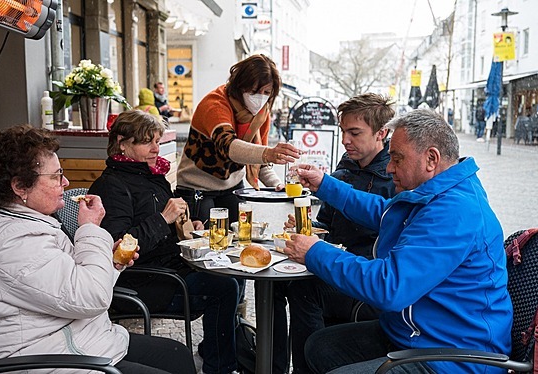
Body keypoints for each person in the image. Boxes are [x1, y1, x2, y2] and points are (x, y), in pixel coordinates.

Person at [284, 109, 512, 374]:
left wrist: (315, 251)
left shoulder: (455, 211)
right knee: (319, 347)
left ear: (431, 159)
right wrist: (324, 183)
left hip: (453, 357)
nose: (390, 167)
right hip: (414, 335)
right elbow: (383, 211)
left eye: (397, 158)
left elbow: (389, 287)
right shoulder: (437, 191)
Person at [0, 125, 195, 374]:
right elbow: (92, 297)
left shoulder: (28, 223)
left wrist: (112, 261)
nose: (66, 182)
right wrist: (90, 229)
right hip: (46, 358)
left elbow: (74, 280)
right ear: (20, 187)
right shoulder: (8, 243)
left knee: (176, 355)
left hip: (81, 339)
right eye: (56, 176)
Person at [88, 110, 240, 374]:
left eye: (157, 141)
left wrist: (187, 228)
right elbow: (117, 250)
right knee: (224, 287)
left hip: (168, 270)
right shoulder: (111, 186)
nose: (156, 148)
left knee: (232, 274)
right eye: (148, 142)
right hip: (143, 284)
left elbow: (161, 229)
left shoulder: (150, 176)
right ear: (123, 143)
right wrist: (163, 218)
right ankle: (220, 368)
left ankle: (217, 353)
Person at [283, 93, 396, 373]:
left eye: (354, 133)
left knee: (303, 289)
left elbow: (383, 228)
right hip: (341, 266)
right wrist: (307, 230)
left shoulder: (397, 179)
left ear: (381, 133)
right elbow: (328, 227)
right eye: (343, 131)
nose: (346, 139)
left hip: (368, 278)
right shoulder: (345, 167)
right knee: (281, 285)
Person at [175, 54, 301, 225]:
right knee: (206, 243)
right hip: (198, 189)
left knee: (240, 238)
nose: (260, 97)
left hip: (232, 188)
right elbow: (229, 146)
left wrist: (277, 185)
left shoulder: (262, 114)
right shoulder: (215, 104)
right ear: (240, 85)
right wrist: (269, 153)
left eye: (266, 92)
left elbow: (259, 159)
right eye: (254, 91)